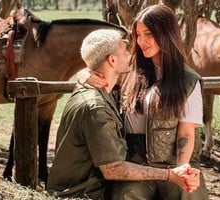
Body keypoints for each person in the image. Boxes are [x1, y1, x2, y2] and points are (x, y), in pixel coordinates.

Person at [46, 29, 201, 199]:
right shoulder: (96, 108)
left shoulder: (100, 89)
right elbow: (114, 169)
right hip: (82, 193)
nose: (130, 52)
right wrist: (169, 175)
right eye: (124, 49)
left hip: (89, 186)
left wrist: (84, 72)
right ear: (112, 60)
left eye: (148, 34)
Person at [79, 4, 209, 200]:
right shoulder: (128, 69)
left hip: (174, 161)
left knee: (188, 194)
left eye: (148, 34)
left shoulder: (188, 80)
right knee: (126, 196)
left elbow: (186, 134)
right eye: (138, 35)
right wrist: (84, 74)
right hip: (135, 164)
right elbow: (101, 65)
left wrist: (182, 169)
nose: (141, 41)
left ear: (166, 34)